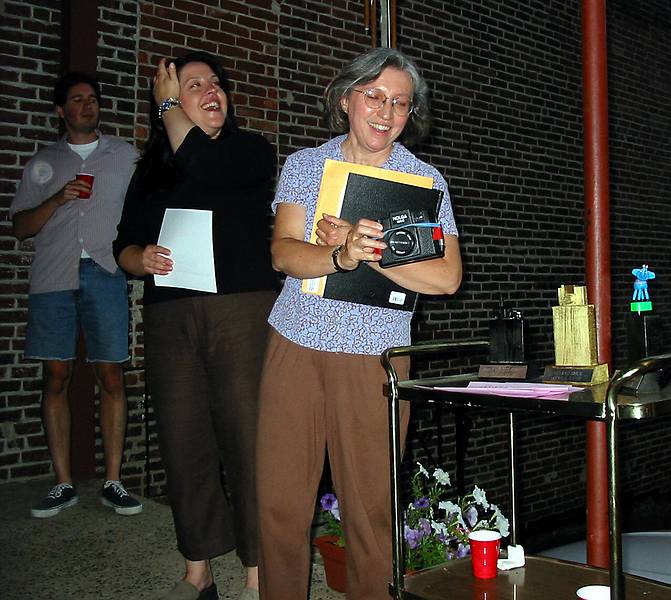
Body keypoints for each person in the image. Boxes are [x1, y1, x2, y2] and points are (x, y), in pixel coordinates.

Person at [256, 48, 462, 600]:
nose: (385, 111)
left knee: (370, 511)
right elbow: (284, 254)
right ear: (347, 98)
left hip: (376, 356)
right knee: (279, 503)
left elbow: (445, 278)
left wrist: (368, 250)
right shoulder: (307, 166)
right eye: (374, 95)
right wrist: (340, 256)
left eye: (399, 102)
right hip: (295, 342)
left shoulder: (423, 183)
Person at [113, 51, 278, 600]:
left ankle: (259, 570)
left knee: (249, 437)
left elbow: (205, 166)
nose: (211, 91)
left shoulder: (249, 151)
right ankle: (198, 567)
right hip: (170, 315)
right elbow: (123, 244)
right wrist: (140, 259)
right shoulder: (152, 168)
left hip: (241, 310)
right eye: (192, 85)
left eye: (216, 83)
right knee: (183, 439)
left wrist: (166, 104)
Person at [10, 72, 142, 519]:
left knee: (111, 376)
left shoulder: (124, 156)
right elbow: (20, 228)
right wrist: (56, 200)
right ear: (60, 111)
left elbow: (146, 207)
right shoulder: (43, 162)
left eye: (92, 99)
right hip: (53, 277)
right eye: (77, 100)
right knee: (56, 376)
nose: (87, 106)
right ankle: (63, 482)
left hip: (106, 272)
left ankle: (113, 481)